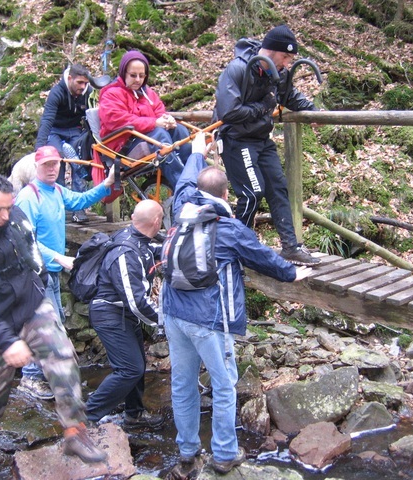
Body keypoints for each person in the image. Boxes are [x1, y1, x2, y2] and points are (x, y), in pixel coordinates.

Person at [161, 134, 313, 475]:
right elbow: (265, 259)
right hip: (208, 319)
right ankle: (225, 453)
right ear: (226, 195)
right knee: (224, 385)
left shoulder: (180, 205)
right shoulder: (229, 228)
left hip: (172, 311)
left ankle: (188, 453)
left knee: (183, 384)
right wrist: (293, 273)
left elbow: (185, 180)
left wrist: (197, 153)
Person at [0, 171, 106, 474]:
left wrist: (40, 281)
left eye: (9, 207)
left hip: (32, 304)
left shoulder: (14, 215)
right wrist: (7, 341)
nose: (6, 215)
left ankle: (75, 431)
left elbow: (31, 246)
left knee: (63, 356)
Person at [14, 145, 117, 400]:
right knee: (44, 325)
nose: (52, 169)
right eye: (47, 165)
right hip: (34, 273)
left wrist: (107, 184)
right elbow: (25, 241)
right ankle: (30, 378)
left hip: (51, 271)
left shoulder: (57, 190)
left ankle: (43, 373)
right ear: (36, 167)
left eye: (56, 164)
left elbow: (80, 201)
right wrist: (58, 256)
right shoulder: (28, 197)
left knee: (54, 321)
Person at [213, 24, 321, 266]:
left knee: (278, 188)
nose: (287, 63)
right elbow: (228, 111)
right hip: (236, 139)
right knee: (252, 193)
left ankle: (291, 247)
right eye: (285, 57)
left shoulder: (278, 73)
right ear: (271, 51)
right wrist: (264, 107)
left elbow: (288, 96)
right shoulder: (239, 68)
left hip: (261, 139)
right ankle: (238, 246)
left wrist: (313, 111)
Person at [85, 199, 165, 429]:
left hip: (122, 314)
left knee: (136, 364)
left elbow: (154, 250)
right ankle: (85, 417)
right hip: (109, 313)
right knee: (130, 369)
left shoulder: (138, 240)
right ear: (157, 221)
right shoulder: (125, 253)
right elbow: (137, 301)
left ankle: (134, 415)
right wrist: (165, 323)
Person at [98, 50, 190, 189]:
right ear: (124, 73)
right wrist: (154, 123)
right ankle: (183, 186)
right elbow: (118, 120)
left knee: (180, 130)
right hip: (123, 145)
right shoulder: (111, 94)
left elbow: (159, 110)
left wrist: (167, 119)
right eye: (133, 75)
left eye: (141, 76)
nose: (138, 80)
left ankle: (197, 176)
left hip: (145, 136)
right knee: (160, 137)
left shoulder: (147, 92)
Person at [35, 63, 93, 223]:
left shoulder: (88, 92)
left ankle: (79, 209)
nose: (83, 86)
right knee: (56, 159)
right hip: (55, 129)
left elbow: (93, 114)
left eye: (85, 83)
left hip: (75, 130)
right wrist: (39, 148)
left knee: (78, 161)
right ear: (69, 79)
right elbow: (47, 119)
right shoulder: (57, 92)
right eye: (79, 83)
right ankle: (56, 206)